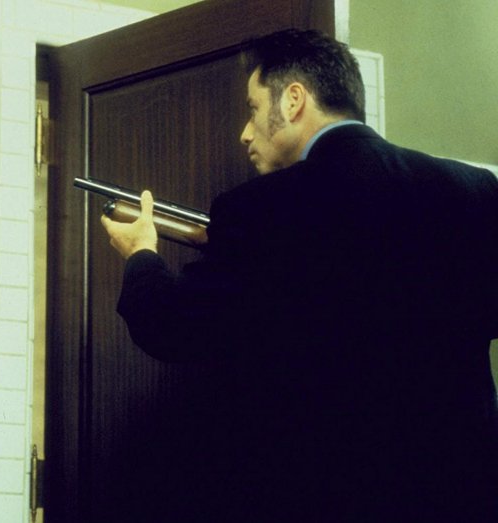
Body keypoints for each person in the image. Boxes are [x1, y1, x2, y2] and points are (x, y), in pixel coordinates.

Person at [100, 29, 498, 522]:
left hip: (327, 494)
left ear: (293, 100)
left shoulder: (258, 207)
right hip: (463, 490)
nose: (245, 132)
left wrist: (141, 252)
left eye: (252, 108)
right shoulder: (476, 190)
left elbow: (173, 327)